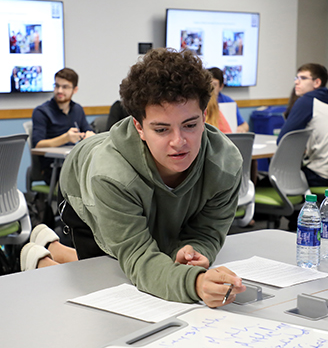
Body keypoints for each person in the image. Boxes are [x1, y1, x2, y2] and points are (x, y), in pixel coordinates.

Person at [21, 48, 246, 308]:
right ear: (139, 126)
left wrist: (195, 251)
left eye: (190, 125)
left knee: (160, 257)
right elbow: (138, 256)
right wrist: (194, 283)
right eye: (161, 129)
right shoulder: (110, 175)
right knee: (108, 278)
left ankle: (52, 246)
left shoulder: (225, 164)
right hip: (82, 188)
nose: (179, 142)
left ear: (204, 117)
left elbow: (207, 231)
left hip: (135, 184)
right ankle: (42, 259)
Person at [277, 63, 328, 187]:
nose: (296, 82)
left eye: (303, 78)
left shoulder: (307, 101)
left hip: (322, 175)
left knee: (265, 182)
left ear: (317, 83)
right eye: (296, 78)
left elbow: (283, 141)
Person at [32, 68, 95, 185]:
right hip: (53, 169)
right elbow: (37, 144)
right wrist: (65, 138)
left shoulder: (77, 109)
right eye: (57, 86)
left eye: (65, 87)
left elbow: (88, 130)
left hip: (74, 164)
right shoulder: (41, 111)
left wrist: (89, 136)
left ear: (75, 89)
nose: (59, 90)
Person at [207, 67, 249, 133]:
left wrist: (240, 129)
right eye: (209, 85)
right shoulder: (202, 101)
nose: (211, 88)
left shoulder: (228, 102)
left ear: (221, 86)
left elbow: (244, 125)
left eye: (214, 85)